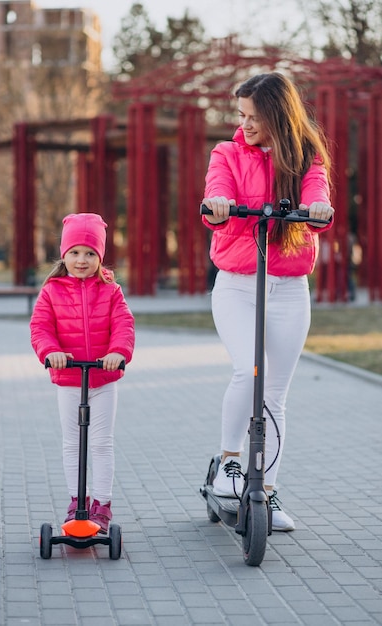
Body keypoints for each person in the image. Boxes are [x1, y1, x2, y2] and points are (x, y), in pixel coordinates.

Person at [202, 72, 334, 531]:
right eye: (242, 115)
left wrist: (317, 210)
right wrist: (218, 202)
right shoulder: (227, 152)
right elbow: (217, 186)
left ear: (278, 115)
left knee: (276, 393)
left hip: (288, 287)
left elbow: (317, 190)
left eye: (255, 117)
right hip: (238, 284)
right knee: (249, 369)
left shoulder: (305, 156)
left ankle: (268, 492)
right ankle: (230, 463)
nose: (246, 124)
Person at [30, 213, 135, 533]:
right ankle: (77, 501)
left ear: (100, 256)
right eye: (75, 252)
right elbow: (41, 328)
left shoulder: (111, 290)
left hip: (102, 379)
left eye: (90, 253)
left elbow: (123, 325)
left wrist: (118, 352)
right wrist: (51, 353)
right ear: (64, 254)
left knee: (101, 442)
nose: (82, 260)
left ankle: (101, 504)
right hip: (70, 379)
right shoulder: (52, 291)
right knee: (72, 442)